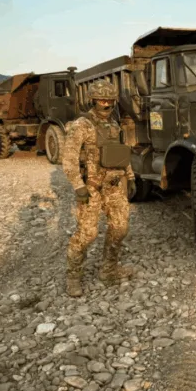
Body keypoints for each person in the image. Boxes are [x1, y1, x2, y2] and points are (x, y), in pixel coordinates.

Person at [62, 79, 136, 297]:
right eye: (102, 100)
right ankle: (73, 277)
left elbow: (122, 154)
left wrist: (130, 177)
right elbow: (69, 159)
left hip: (114, 185)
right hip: (91, 188)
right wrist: (78, 186)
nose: (107, 104)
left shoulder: (114, 125)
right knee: (87, 234)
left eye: (110, 100)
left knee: (120, 228)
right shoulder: (82, 125)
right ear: (93, 100)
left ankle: (109, 271)